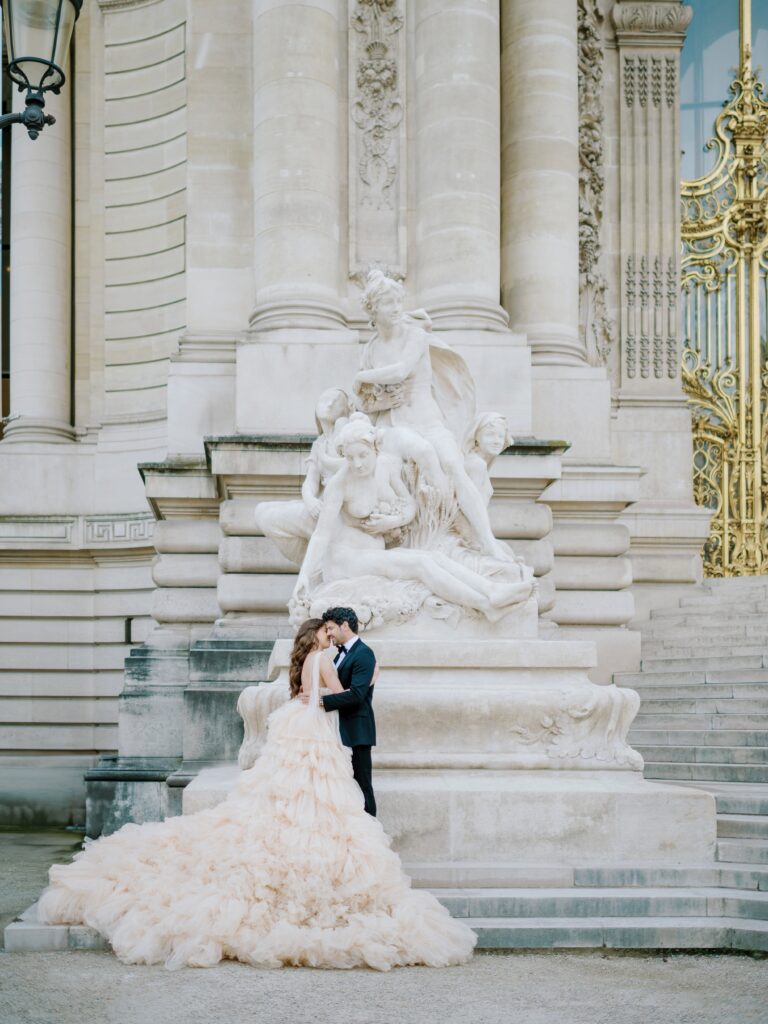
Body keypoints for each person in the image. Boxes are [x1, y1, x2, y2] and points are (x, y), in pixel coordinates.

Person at [37, 618, 476, 971]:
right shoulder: (324, 659)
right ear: (318, 636)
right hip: (315, 727)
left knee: (289, 787)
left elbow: (307, 694)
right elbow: (344, 695)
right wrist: (371, 679)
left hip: (297, 722)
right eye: (325, 631)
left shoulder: (302, 660)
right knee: (320, 788)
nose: (329, 636)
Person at [293, 414, 532, 623]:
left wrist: (393, 522)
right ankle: (487, 604)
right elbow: (321, 534)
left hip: (372, 553)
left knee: (434, 557)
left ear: (376, 449)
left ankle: (491, 590)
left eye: (363, 455)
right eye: (350, 457)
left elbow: (409, 505)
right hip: (347, 559)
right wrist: (304, 575)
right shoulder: (340, 484)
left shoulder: (385, 467)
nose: (357, 464)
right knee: (420, 564)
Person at [353, 270, 512, 563]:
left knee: (453, 464)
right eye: (388, 303)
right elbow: (365, 404)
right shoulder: (371, 349)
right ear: (373, 309)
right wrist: (380, 402)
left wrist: (361, 376)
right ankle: (440, 530)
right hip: (393, 425)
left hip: (428, 420)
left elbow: (401, 371)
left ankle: (486, 541)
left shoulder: (416, 336)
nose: (396, 308)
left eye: (398, 301)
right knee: (421, 453)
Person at [255, 388, 351, 566]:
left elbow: (350, 468)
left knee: (267, 517)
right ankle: (320, 563)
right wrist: (310, 500)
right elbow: (310, 482)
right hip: (320, 508)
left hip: (338, 512)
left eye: (337, 400)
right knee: (261, 510)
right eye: (325, 399)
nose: (330, 403)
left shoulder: (347, 435)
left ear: (347, 408)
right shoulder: (319, 443)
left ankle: (321, 563)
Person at [300, 606, 377, 816]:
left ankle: (371, 832)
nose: (329, 633)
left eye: (331, 628)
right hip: (338, 729)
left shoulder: (363, 653)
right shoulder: (337, 655)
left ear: (345, 626)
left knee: (362, 787)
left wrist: (320, 700)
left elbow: (356, 695)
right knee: (347, 789)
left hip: (357, 730)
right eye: (326, 630)